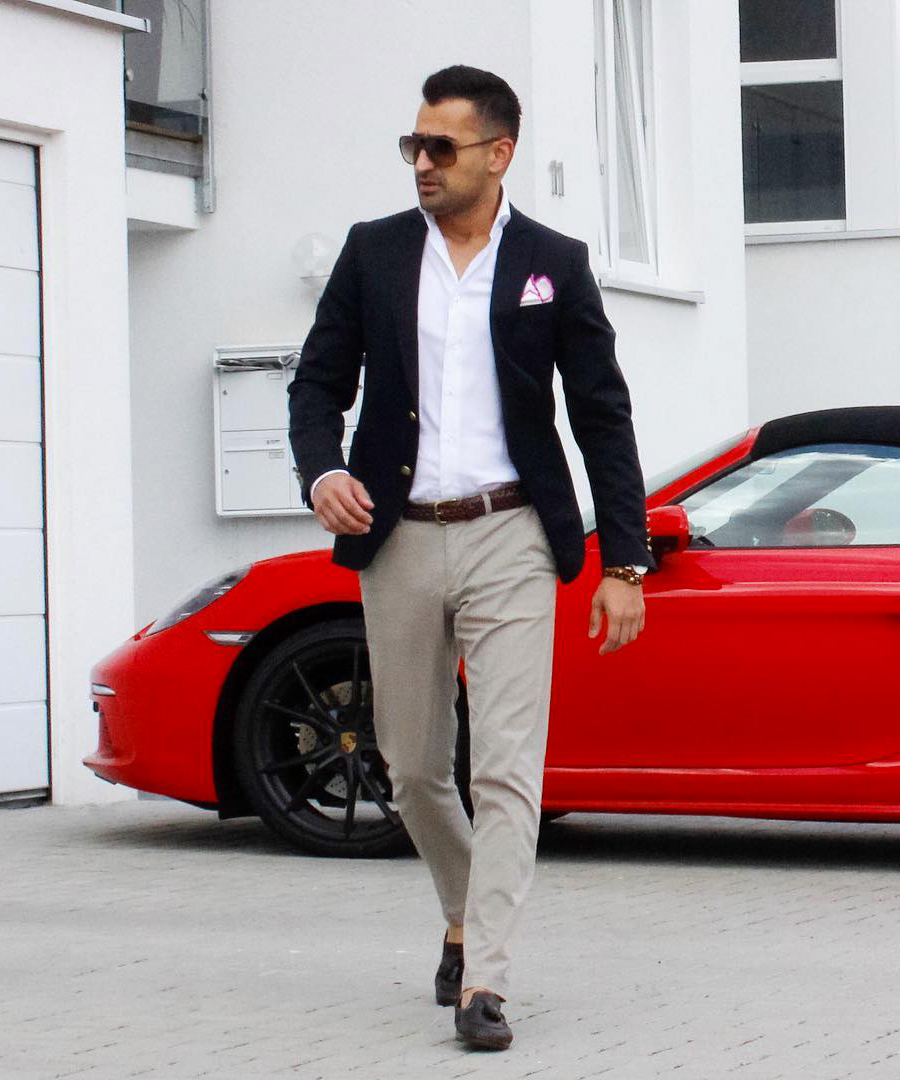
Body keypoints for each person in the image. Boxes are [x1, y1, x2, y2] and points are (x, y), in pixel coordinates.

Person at [288, 64, 654, 1052]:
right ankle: (460, 911)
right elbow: (316, 385)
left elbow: (602, 418)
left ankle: (484, 980)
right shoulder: (371, 255)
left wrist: (627, 564)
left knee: (505, 769)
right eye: (414, 144)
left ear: (498, 153)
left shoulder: (553, 261)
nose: (422, 162)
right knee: (410, 768)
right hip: (398, 534)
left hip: (512, 537)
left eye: (441, 146)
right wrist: (320, 470)